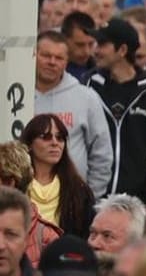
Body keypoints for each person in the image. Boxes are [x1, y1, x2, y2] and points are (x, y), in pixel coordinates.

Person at [88, 17, 146, 202]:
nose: (96, 50)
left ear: (122, 50)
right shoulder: (89, 85)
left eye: (103, 44)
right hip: (94, 200)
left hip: (139, 204)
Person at [33, 30, 113, 197]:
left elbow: (102, 154)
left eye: (59, 58)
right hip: (24, 196)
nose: (52, 62)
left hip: (71, 199)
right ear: (34, 54)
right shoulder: (14, 93)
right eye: (46, 56)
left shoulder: (86, 97)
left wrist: (90, 197)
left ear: (66, 61)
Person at [20, 113, 96, 238]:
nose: (55, 143)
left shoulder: (80, 191)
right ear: (29, 144)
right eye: (46, 137)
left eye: (60, 138)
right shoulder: (13, 184)